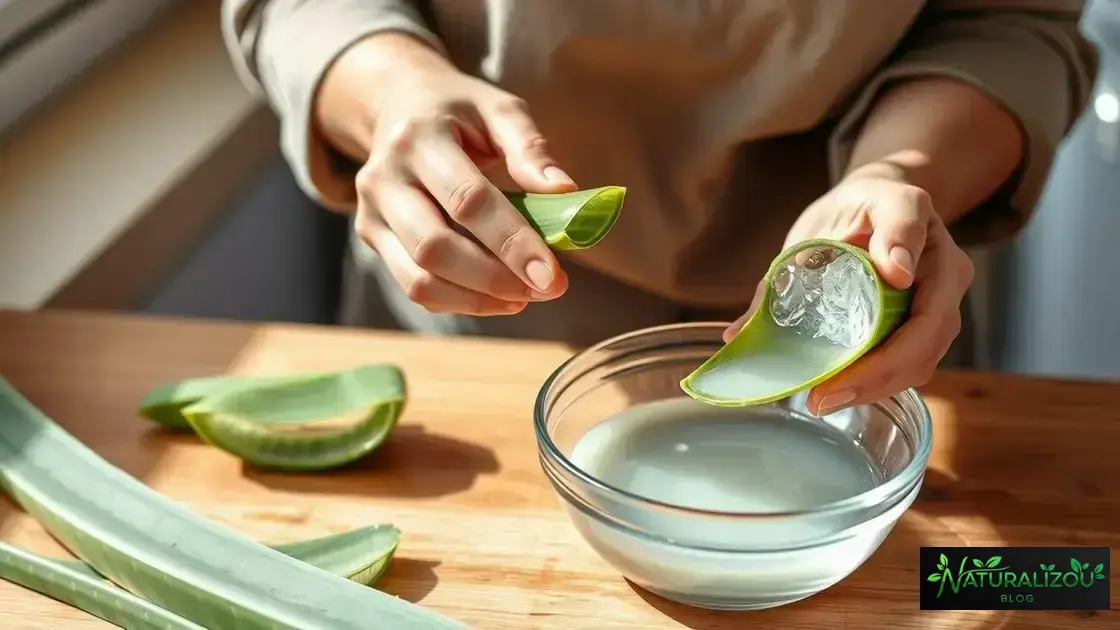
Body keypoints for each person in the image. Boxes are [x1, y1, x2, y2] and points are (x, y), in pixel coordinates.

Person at [221, 1, 1096, 416]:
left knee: (982, 591)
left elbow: (1013, 21)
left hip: (861, 343)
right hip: (471, 318)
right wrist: (394, 92)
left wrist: (900, 171)